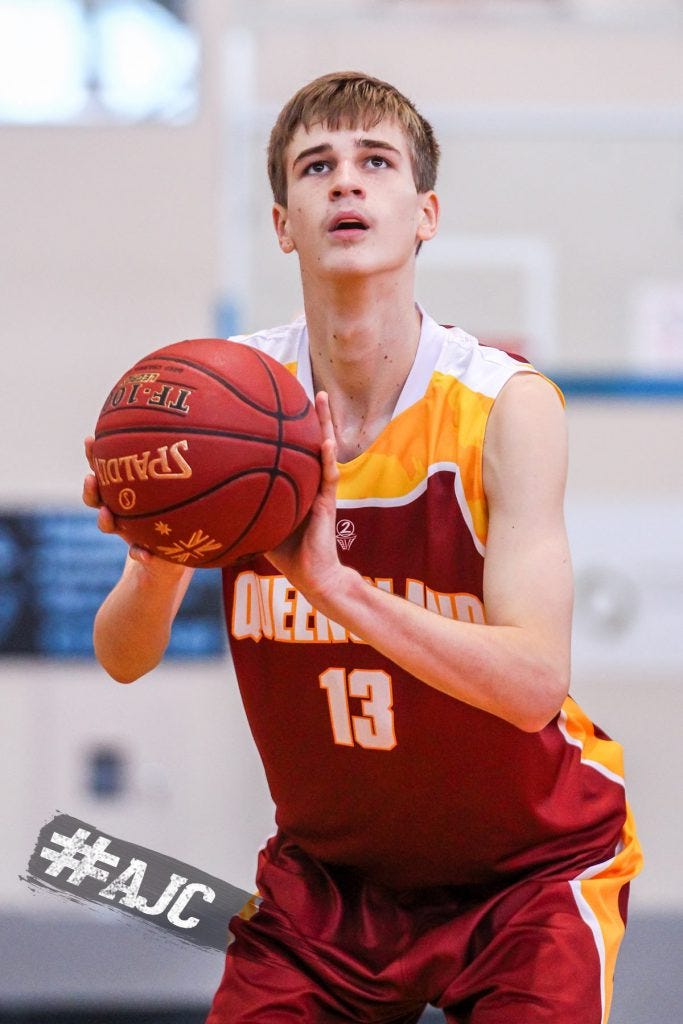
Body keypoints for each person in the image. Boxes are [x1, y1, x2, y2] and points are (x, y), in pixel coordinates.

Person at [84, 71, 643, 1023]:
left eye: (374, 162)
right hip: (329, 888)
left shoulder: (506, 408)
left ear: (423, 213)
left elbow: (532, 684)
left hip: (527, 875)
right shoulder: (228, 410)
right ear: (280, 222)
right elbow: (123, 658)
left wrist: (335, 587)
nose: (346, 182)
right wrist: (155, 552)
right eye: (317, 166)